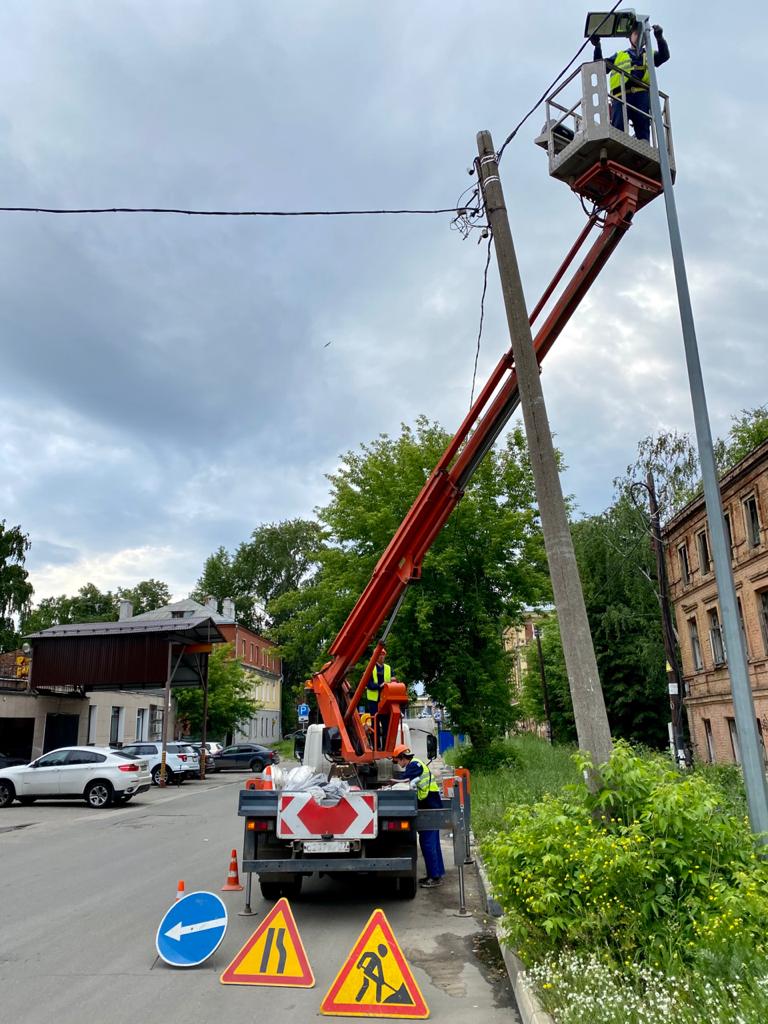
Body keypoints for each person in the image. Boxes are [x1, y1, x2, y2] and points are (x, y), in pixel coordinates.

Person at [592, 21, 669, 142]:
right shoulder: (619, 55)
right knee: (618, 131)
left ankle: (643, 148)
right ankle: (617, 146)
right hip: (621, 97)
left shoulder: (649, 54)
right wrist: (597, 46)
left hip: (641, 97)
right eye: (636, 33)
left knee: (643, 133)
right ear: (630, 37)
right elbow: (599, 66)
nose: (639, 36)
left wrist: (660, 38)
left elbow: (664, 56)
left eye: (641, 34)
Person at [392, 744, 445, 889]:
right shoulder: (416, 764)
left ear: (403, 758)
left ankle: (435, 877)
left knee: (428, 842)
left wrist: (389, 785)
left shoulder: (414, 765)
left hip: (430, 805)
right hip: (431, 804)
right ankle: (436, 874)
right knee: (431, 842)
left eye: (397, 761)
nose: (398, 764)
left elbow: (404, 780)